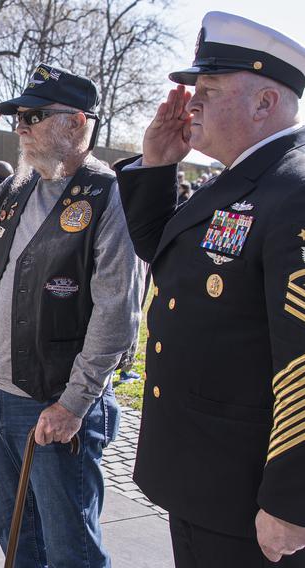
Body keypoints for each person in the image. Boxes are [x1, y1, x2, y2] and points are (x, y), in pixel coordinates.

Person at [114, 12, 305, 566]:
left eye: (208, 90)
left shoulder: (292, 190)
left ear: (264, 103)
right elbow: (172, 257)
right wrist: (157, 164)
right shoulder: (240, 179)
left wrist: (292, 498)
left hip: (246, 494)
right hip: (203, 477)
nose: (191, 104)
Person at [0, 64, 144, 567]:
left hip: (56, 400)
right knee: (18, 536)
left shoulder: (108, 195)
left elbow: (116, 311)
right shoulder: (18, 186)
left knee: (69, 546)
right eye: (18, 116)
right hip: (1, 391)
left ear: (77, 123)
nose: (22, 127)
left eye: (33, 116)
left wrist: (74, 405)